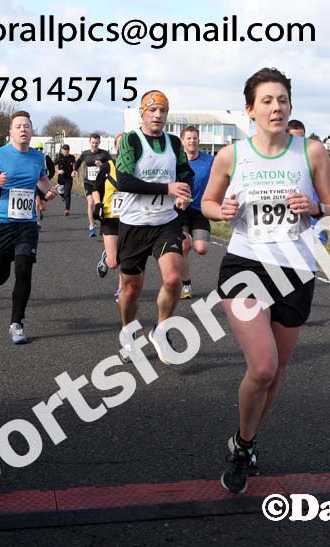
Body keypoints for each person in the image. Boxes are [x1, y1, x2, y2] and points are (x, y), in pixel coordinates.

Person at [201, 68, 330, 494]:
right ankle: (245, 446)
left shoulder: (312, 151)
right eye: (266, 100)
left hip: (296, 270)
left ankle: (244, 441)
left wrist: (314, 207)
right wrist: (218, 212)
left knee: (275, 374)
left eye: (282, 99)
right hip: (246, 266)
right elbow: (207, 202)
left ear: (291, 106)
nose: (276, 107)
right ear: (250, 110)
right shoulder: (232, 156)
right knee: (261, 366)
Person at [115, 90, 193, 364]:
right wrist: (166, 187)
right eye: (153, 110)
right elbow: (123, 181)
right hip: (134, 224)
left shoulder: (173, 142)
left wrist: (184, 195)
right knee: (131, 290)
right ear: (142, 113)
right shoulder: (131, 141)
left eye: (163, 111)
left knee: (173, 279)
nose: (158, 115)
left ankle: (162, 329)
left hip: (165, 222)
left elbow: (185, 175)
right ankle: (127, 331)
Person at [0, 111, 58, 344]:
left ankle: (17, 323)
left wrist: (48, 191)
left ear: (31, 130)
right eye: (18, 126)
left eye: (26, 126)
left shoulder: (38, 158)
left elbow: (42, 181)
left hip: (27, 224)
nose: (22, 129)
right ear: (10, 132)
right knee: (0, 270)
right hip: (1, 223)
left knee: (24, 270)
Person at [287, 120, 330, 245]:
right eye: (293, 138)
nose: (297, 143)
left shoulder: (314, 160)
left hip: (314, 229)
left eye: (301, 138)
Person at [178, 125, 214, 299]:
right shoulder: (176, 161)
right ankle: (186, 285)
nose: (192, 141)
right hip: (180, 210)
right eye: (189, 138)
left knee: (201, 248)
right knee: (184, 244)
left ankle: (191, 241)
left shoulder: (209, 161)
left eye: (195, 138)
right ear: (182, 141)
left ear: (199, 140)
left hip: (200, 210)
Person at [92, 133, 124, 302]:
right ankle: (106, 256)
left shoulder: (138, 168)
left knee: (126, 258)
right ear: (116, 147)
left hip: (130, 219)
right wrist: (98, 205)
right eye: (121, 144)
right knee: (113, 262)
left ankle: (121, 289)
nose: (124, 147)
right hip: (110, 218)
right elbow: (96, 188)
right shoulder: (108, 167)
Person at [72, 134, 111, 237]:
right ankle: (91, 225)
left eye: (96, 143)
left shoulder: (104, 154)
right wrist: (75, 170)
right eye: (93, 143)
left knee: (101, 203)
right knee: (91, 203)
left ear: (99, 143)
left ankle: (101, 221)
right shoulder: (85, 154)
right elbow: (78, 162)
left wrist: (102, 165)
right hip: (88, 182)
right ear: (89, 142)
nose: (94, 145)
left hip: (100, 183)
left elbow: (112, 165)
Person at [33, 142, 55, 225]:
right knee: (37, 203)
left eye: (41, 149)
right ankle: (37, 223)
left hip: (43, 185)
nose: (39, 150)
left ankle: (39, 212)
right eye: (37, 149)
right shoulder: (31, 157)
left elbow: (52, 170)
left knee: (43, 207)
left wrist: (47, 179)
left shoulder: (46, 158)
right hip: (34, 183)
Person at [55, 144, 75, 216]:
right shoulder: (59, 157)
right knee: (61, 192)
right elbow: (51, 165)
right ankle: (63, 196)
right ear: (62, 150)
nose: (66, 151)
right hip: (60, 179)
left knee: (67, 193)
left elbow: (74, 166)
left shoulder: (72, 157)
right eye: (64, 150)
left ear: (69, 150)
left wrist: (74, 171)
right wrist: (58, 171)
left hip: (69, 178)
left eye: (67, 150)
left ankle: (67, 209)